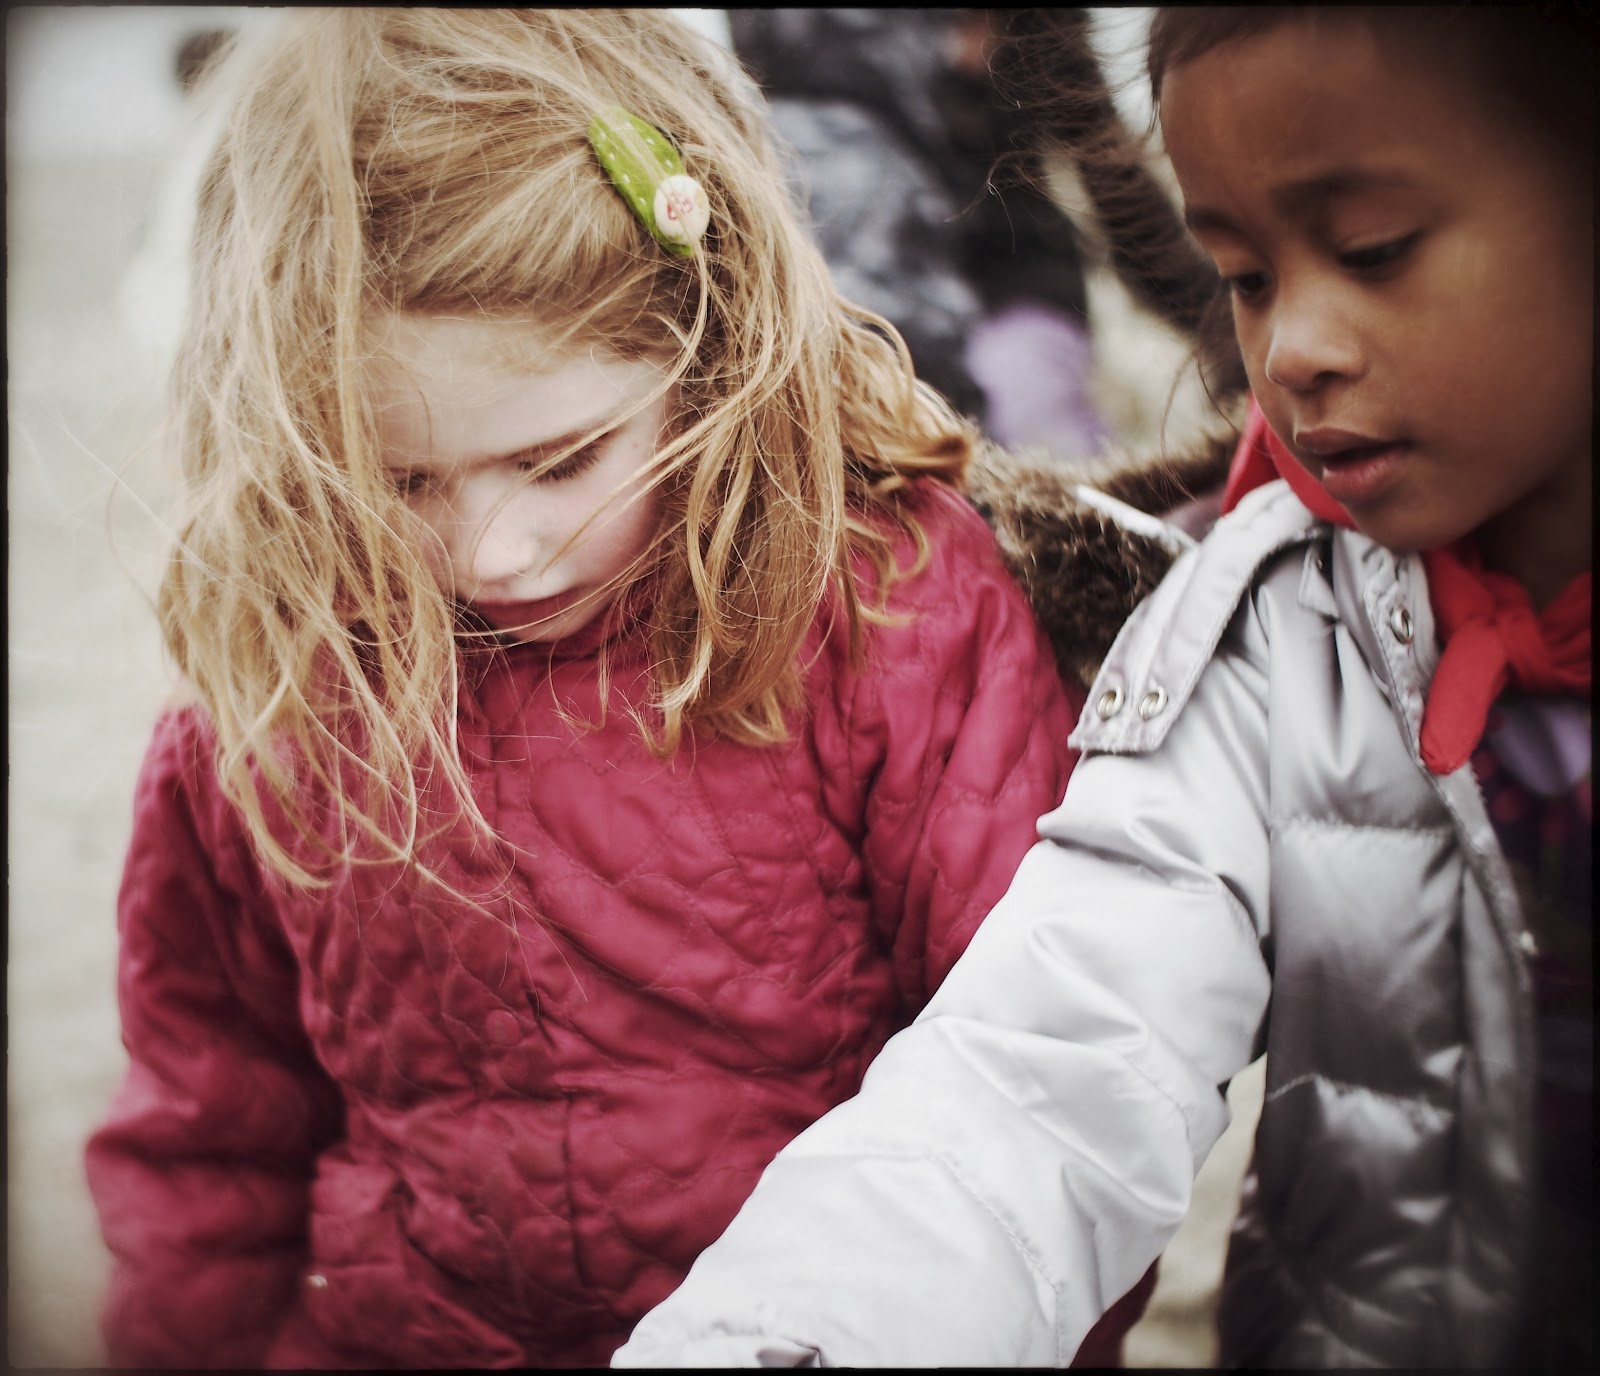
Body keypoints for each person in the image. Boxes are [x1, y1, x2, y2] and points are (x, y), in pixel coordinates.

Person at [80, 8, 1120, 1367]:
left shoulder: (886, 610)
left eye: (559, 459)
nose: (492, 552)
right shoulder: (281, 679)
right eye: (401, 480)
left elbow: (1040, 1087)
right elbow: (210, 1121)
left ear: (708, 343)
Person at [613, 5, 1595, 1368]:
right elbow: (1047, 1068)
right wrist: (786, 1338)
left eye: (1373, 249)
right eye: (1244, 276)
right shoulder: (1264, 638)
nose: (1291, 347)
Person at [726, 8, 1106, 458]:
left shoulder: (1027, 47)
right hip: (861, 282)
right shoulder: (798, 88)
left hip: (1010, 285)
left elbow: (1112, 165)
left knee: (1033, 430)